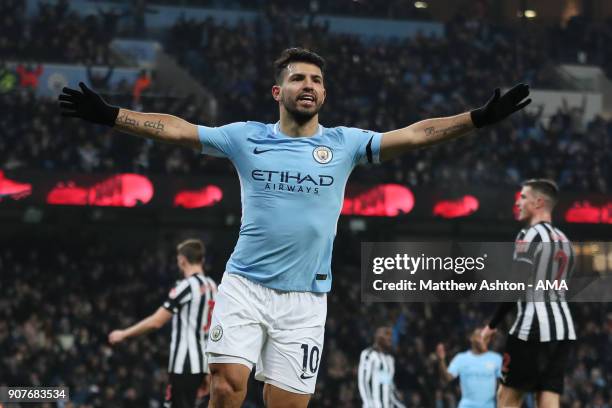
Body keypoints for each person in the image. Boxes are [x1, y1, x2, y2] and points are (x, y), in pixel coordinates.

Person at [59, 47, 531, 407]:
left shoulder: (346, 144)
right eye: (298, 78)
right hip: (243, 286)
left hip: (306, 300)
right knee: (226, 388)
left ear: (324, 94)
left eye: (316, 80)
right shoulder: (246, 137)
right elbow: (179, 129)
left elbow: (414, 134)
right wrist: (112, 115)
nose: (308, 85)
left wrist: (477, 119)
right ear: (278, 92)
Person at [481, 179, 576, 408]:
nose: (518, 201)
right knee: (548, 398)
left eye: (523, 197)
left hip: (531, 330)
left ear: (538, 202)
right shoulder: (565, 241)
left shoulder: (529, 235)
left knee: (507, 398)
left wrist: (492, 325)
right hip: (563, 329)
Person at [108, 239, 217, 408]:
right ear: (201, 260)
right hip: (204, 363)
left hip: (184, 364)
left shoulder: (186, 286)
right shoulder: (212, 286)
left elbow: (156, 322)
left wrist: (124, 334)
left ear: (182, 260)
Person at [436, 328, 502, 408]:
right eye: (478, 335)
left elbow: (505, 383)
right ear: (471, 338)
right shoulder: (461, 358)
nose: (482, 338)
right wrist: (441, 361)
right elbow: (447, 378)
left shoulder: (496, 359)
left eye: (484, 336)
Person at [358, 326, 405, 408]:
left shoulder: (390, 359)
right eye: (388, 337)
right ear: (379, 337)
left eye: (391, 337)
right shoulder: (368, 354)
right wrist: (368, 404)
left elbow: (390, 385)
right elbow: (363, 381)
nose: (391, 340)